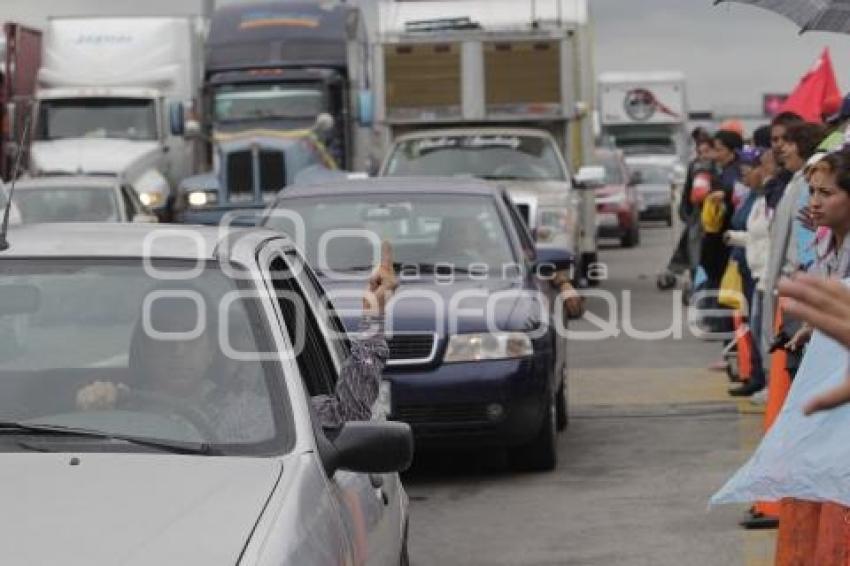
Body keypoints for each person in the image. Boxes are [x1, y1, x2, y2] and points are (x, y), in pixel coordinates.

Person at [76, 243, 399, 434]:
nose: (177, 351)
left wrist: (372, 319)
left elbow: (348, 417)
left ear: (213, 348)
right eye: (164, 338)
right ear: (143, 348)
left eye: (191, 338)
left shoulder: (258, 415)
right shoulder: (114, 410)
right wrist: (93, 408)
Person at [724, 146, 769, 396]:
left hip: (763, 274)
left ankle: (760, 377)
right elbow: (754, 234)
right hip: (751, 269)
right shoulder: (755, 197)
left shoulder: (766, 198)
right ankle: (756, 375)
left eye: (748, 170)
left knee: (760, 326)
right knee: (754, 324)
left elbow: (765, 236)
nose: (744, 176)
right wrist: (733, 237)